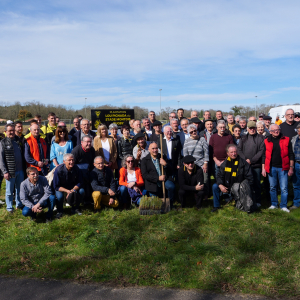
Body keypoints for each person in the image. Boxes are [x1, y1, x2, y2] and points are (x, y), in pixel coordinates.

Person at [262, 124, 294, 212]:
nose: (276, 131)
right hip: (271, 167)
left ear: (280, 130)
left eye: (278, 129)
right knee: (272, 187)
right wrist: (263, 168)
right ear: (270, 132)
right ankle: (274, 204)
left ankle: (283, 206)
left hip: (283, 168)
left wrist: (291, 168)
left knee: (284, 188)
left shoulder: (286, 139)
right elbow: (264, 156)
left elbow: (291, 154)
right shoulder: (266, 140)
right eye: (274, 130)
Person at [211, 144, 253, 212]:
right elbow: (219, 176)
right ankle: (216, 206)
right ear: (227, 153)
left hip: (238, 186)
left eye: (235, 152)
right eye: (231, 152)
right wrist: (220, 185)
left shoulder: (243, 163)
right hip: (227, 185)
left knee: (238, 187)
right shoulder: (225, 163)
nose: (234, 154)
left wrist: (242, 186)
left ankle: (240, 204)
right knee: (215, 186)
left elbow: (250, 178)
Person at [237, 121, 265, 207]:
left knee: (256, 183)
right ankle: (246, 200)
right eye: (250, 128)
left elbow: (261, 151)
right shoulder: (243, 138)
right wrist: (245, 160)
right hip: (245, 165)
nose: (252, 130)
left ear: (256, 128)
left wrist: (252, 160)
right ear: (247, 129)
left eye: (253, 128)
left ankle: (257, 201)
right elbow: (239, 150)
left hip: (256, 165)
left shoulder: (261, 138)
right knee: (246, 183)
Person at [0, 124, 25, 213]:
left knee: (19, 189)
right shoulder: (2, 142)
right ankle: (9, 207)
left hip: (20, 170)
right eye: (9, 131)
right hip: (10, 171)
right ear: (5, 132)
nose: (11, 132)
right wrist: (5, 171)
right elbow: (1, 159)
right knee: (9, 191)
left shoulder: (18, 141)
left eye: (13, 130)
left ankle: (19, 204)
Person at [141, 142, 175, 207]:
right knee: (156, 204)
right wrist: (158, 178)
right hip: (152, 183)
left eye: (156, 148)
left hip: (164, 180)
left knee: (171, 187)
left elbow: (171, 170)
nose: (155, 150)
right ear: (149, 149)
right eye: (153, 148)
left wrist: (165, 164)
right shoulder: (144, 160)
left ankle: (171, 204)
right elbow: (145, 175)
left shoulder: (162, 157)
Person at [183, 124, 209, 189]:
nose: (194, 132)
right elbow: (185, 153)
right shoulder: (187, 141)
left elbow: (206, 152)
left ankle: (205, 193)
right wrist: (188, 164)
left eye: (195, 130)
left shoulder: (202, 139)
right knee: (194, 180)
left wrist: (205, 163)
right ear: (189, 133)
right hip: (191, 164)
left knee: (205, 179)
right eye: (191, 132)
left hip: (201, 164)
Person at [72, 136, 95, 203]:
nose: (89, 143)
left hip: (88, 171)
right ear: (82, 142)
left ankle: (89, 199)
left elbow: (92, 163)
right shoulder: (76, 151)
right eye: (87, 142)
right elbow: (72, 164)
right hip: (78, 172)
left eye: (90, 142)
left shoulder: (92, 150)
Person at [291, 124, 300, 210]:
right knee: (296, 184)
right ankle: (296, 203)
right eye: (299, 130)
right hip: (296, 164)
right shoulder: (294, 139)